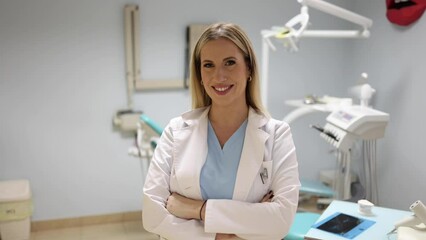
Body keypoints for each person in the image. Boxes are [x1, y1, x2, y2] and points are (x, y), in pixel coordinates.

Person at [142, 22, 300, 240]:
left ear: (249, 69)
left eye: (230, 63)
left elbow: (280, 220)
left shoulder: (277, 135)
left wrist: (198, 209)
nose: (219, 76)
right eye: (208, 65)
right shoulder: (176, 131)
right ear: (199, 74)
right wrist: (222, 236)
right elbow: (152, 216)